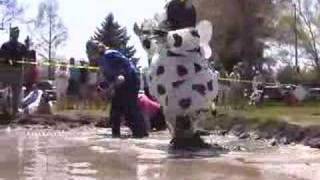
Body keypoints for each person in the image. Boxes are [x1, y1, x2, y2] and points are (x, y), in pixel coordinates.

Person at [86, 40, 148, 138]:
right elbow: (109, 77)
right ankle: (116, 135)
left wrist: (110, 88)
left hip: (130, 80)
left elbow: (122, 75)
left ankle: (141, 133)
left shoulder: (110, 55)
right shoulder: (102, 60)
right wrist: (101, 88)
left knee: (129, 107)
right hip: (121, 82)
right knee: (115, 109)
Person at [0, 27, 28, 117]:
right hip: (7, 71)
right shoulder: (5, 45)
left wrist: (27, 45)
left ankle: (15, 110)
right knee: (5, 91)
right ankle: (4, 109)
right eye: (15, 32)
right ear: (12, 34)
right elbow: (2, 56)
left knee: (16, 92)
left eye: (18, 32)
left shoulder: (21, 46)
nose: (17, 34)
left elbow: (26, 55)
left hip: (17, 72)